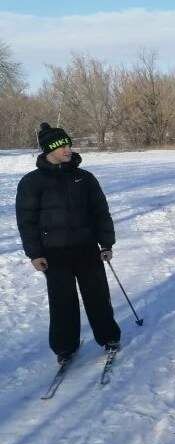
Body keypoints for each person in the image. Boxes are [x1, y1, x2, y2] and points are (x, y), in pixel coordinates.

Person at [15, 123, 121, 364]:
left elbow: (100, 212)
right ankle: (65, 348)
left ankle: (109, 337)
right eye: (62, 145)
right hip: (54, 254)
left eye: (68, 144)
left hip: (86, 249)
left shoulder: (85, 178)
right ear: (48, 150)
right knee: (62, 302)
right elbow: (27, 222)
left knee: (97, 296)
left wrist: (106, 243)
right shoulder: (32, 182)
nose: (68, 149)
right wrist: (34, 253)